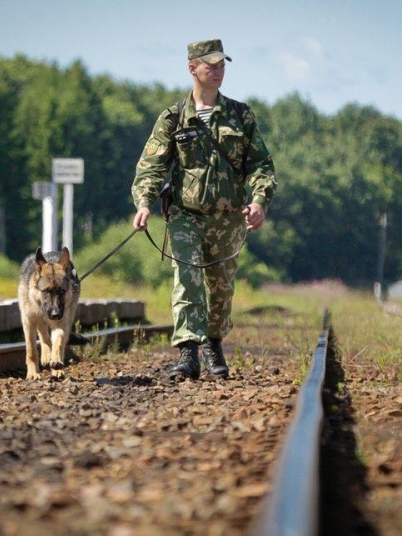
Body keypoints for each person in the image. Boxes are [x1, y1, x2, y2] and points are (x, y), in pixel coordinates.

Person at [131, 38, 277, 381]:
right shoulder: (173, 118)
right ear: (192, 68)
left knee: (221, 286)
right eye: (210, 65)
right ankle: (187, 351)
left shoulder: (241, 116)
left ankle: (213, 342)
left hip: (228, 219)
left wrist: (259, 201)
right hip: (186, 215)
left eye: (222, 65)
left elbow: (261, 165)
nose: (218, 71)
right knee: (187, 278)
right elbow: (151, 166)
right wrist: (144, 203)